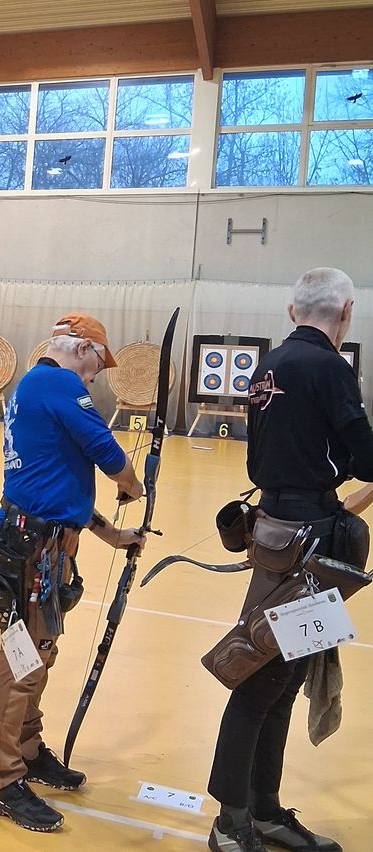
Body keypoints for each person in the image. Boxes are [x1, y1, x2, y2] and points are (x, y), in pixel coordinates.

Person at [207, 268, 373, 852]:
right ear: (347, 310)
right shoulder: (331, 368)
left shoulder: (269, 364)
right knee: (261, 680)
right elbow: (366, 456)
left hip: (284, 529)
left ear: (290, 309)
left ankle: (266, 811)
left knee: (286, 676)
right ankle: (231, 823)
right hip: (306, 543)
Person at [0, 312, 146, 832]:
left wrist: (111, 533)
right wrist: (133, 484)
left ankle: (26, 750)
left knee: (39, 653)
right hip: (33, 547)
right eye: (99, 359)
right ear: (78, 348)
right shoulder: (56, 383)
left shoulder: (40, 386)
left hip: (44, 542)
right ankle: (2, 781)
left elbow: (60, 482)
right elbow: (105, 453)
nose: (97, 373)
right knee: (22, 660)